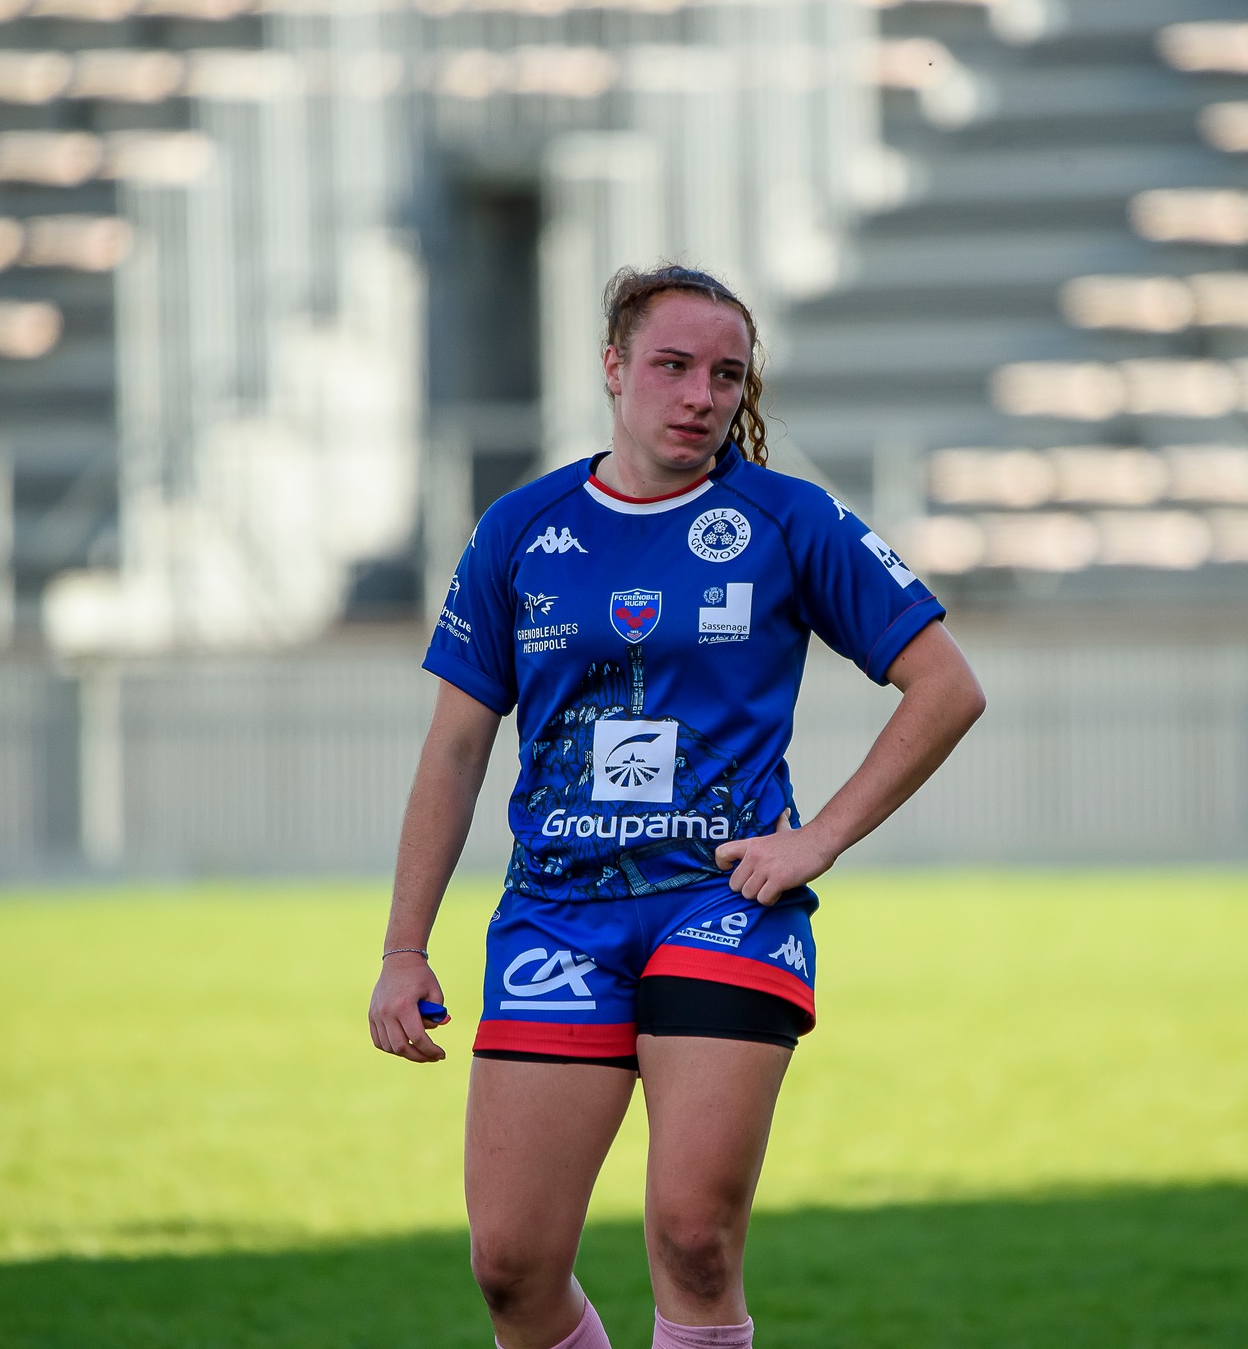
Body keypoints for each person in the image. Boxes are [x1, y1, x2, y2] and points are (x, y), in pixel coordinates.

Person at [368, 263, 985, 1349]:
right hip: (556, 912)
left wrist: (818, 838)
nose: (700, 394)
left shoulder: (789, 519)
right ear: (613, 368)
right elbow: (456, 747)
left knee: (694, 1238)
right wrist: (401, 947)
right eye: (672, 366)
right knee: (510, 1266)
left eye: (725, 374)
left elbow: (945, 686)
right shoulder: (520, 528)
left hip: (722, 904)